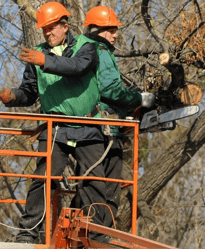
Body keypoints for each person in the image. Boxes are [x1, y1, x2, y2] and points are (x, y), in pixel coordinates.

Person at [0, 1, 109, 244]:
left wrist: (44, 61)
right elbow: (30, 92)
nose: (48, 33)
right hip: (55, 127)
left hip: (89, 127)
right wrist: (13, 96)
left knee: (96, 182)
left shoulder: (86, 47)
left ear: (65, 26)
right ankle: (28, 233)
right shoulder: (37, 54)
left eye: (52, 28)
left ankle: (98, 238)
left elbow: (78, 67)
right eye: (44, 29)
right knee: (43, 179)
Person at [82, 6, 155, 230]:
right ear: (98, 31)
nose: (116, 35)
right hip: (103, 128)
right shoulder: (100, 52)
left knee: (104, 182)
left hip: (105, 128)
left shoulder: (94, 51)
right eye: (111, 30)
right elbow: (111, 90)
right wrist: (139, 98)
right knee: (108, 184)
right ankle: (100, 230)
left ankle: (100, 228)